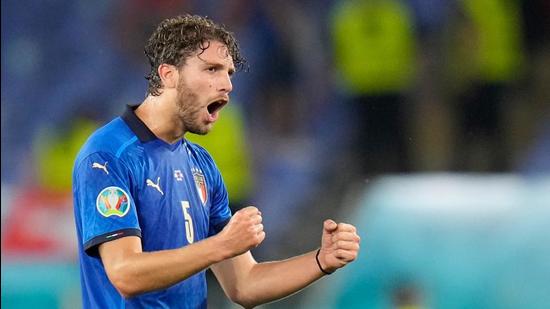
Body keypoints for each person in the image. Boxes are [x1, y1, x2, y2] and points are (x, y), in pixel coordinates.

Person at [72, 14, 360, 309]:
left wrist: (320, 261)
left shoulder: (201, 165)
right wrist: (221, 245)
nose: (226, 85)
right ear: (168, 74)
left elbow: (245, 284)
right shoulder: (108, 155)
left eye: (229, 73)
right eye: (211, 69)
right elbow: (125, 274)